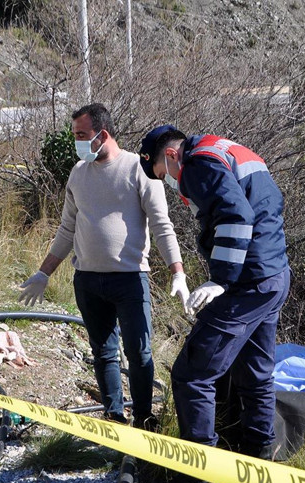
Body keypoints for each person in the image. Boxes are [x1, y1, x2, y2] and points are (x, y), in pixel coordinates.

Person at [138, 125, 290, 483]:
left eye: (162, 172)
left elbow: (237, 215)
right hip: (273, 275)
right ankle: (260, 461)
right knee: (255, 371)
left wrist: (221, 279)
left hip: (246, 284)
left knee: (193, 374)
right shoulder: (228, 148)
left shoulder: (199, 163)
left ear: (170, 156)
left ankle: (197, 482)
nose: (170, 183)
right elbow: (269, 204)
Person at [19, 104, 189, 430]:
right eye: (75, 136)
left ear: (103, 135)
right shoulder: (78, 173)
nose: (77, 142)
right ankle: (113, 417)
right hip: (87, 281)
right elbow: (67, 228)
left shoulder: (140, 170)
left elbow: (161, 225)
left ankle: (144, 420)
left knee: (139, 354)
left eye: (82, 135)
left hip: (130, 280)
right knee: (103, 352)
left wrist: (177, 272)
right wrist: (44, 272)